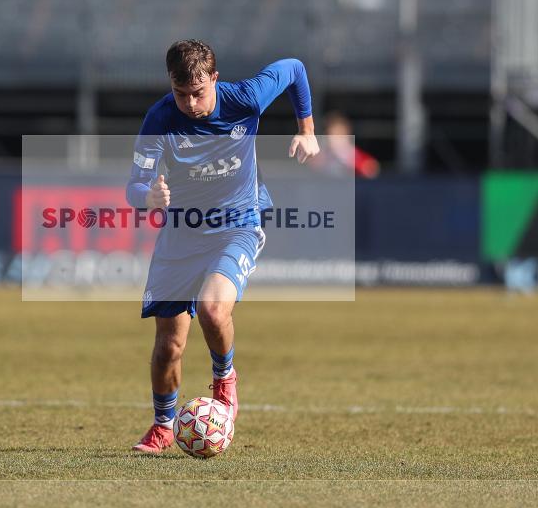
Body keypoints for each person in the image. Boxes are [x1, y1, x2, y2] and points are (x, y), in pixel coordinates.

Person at [125, 39, 319, 453]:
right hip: (182, 233)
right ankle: (163, 425)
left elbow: (294, 66)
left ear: (215, 79)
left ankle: (225, 380)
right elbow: (135, 182)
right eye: (181, 94)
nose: (191, 104)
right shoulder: (160, 117)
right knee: (169, 346)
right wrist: (147, 196)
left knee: (214, 311)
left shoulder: (245, 98)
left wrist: (306, 129)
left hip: (239, 224)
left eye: (199, 92)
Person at [310, 111, 380, 178]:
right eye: (332, 134)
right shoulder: (319, 155)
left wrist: (345, 158)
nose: (336, 139)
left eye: (339, 134)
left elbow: (371, 169)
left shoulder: (354, 154)